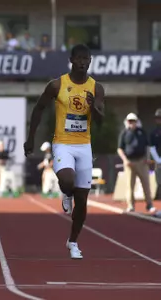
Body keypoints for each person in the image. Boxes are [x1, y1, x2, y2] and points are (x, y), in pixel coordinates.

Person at [24, 44, 105, 259]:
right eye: (78, 58)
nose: (82, 62)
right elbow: (39, 107)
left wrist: (92, 108)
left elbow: (100, 121)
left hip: (84, 145)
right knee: (68, 181)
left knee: (83, 202)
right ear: (71, 60)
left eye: (86, 59)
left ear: (90, 61)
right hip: (63, 143)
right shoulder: (58, 84)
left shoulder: (96, 87)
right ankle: (66, 193)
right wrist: (31, 137)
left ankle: (73, 242)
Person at [118, 113, 156, 213]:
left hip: (141, 161)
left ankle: (149, 204)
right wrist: (125, 160)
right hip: (129, 162)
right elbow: (120, 149)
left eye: (133, 121)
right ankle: (131, 205)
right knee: (129, 185)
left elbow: (147, 147)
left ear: (136, 122)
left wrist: (147, 158)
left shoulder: (142, 132)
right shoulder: (124, 133)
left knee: (146, 184)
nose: (131, 123)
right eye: (130, 121)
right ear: (127, 122)